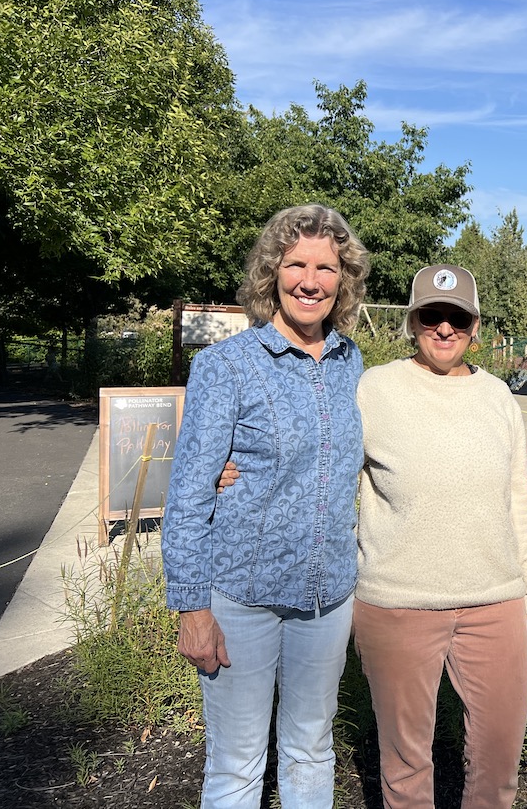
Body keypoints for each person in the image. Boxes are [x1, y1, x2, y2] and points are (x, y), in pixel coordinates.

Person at [162, 203, 369, 809]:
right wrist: (190, 607)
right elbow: (189, 493)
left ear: (344, 279)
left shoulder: (351, 365)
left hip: (325, 597)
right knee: (236, 765)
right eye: (296, 264)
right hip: (240, 597)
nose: (311, 280)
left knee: (311, 749)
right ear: (272, 272)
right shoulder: (226, 366)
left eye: (327, 268)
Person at [351, 264, 527, 809]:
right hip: (399, 602)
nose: (443, 328)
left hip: (494, 600)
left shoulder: (497, 398)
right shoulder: (375, 389)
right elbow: (323, 471)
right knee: (406, 763)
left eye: (455, 317)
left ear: (474, 324)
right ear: (413, 321)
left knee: (499, 754)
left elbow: (517, 501)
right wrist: (237, 467)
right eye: (431, 316)